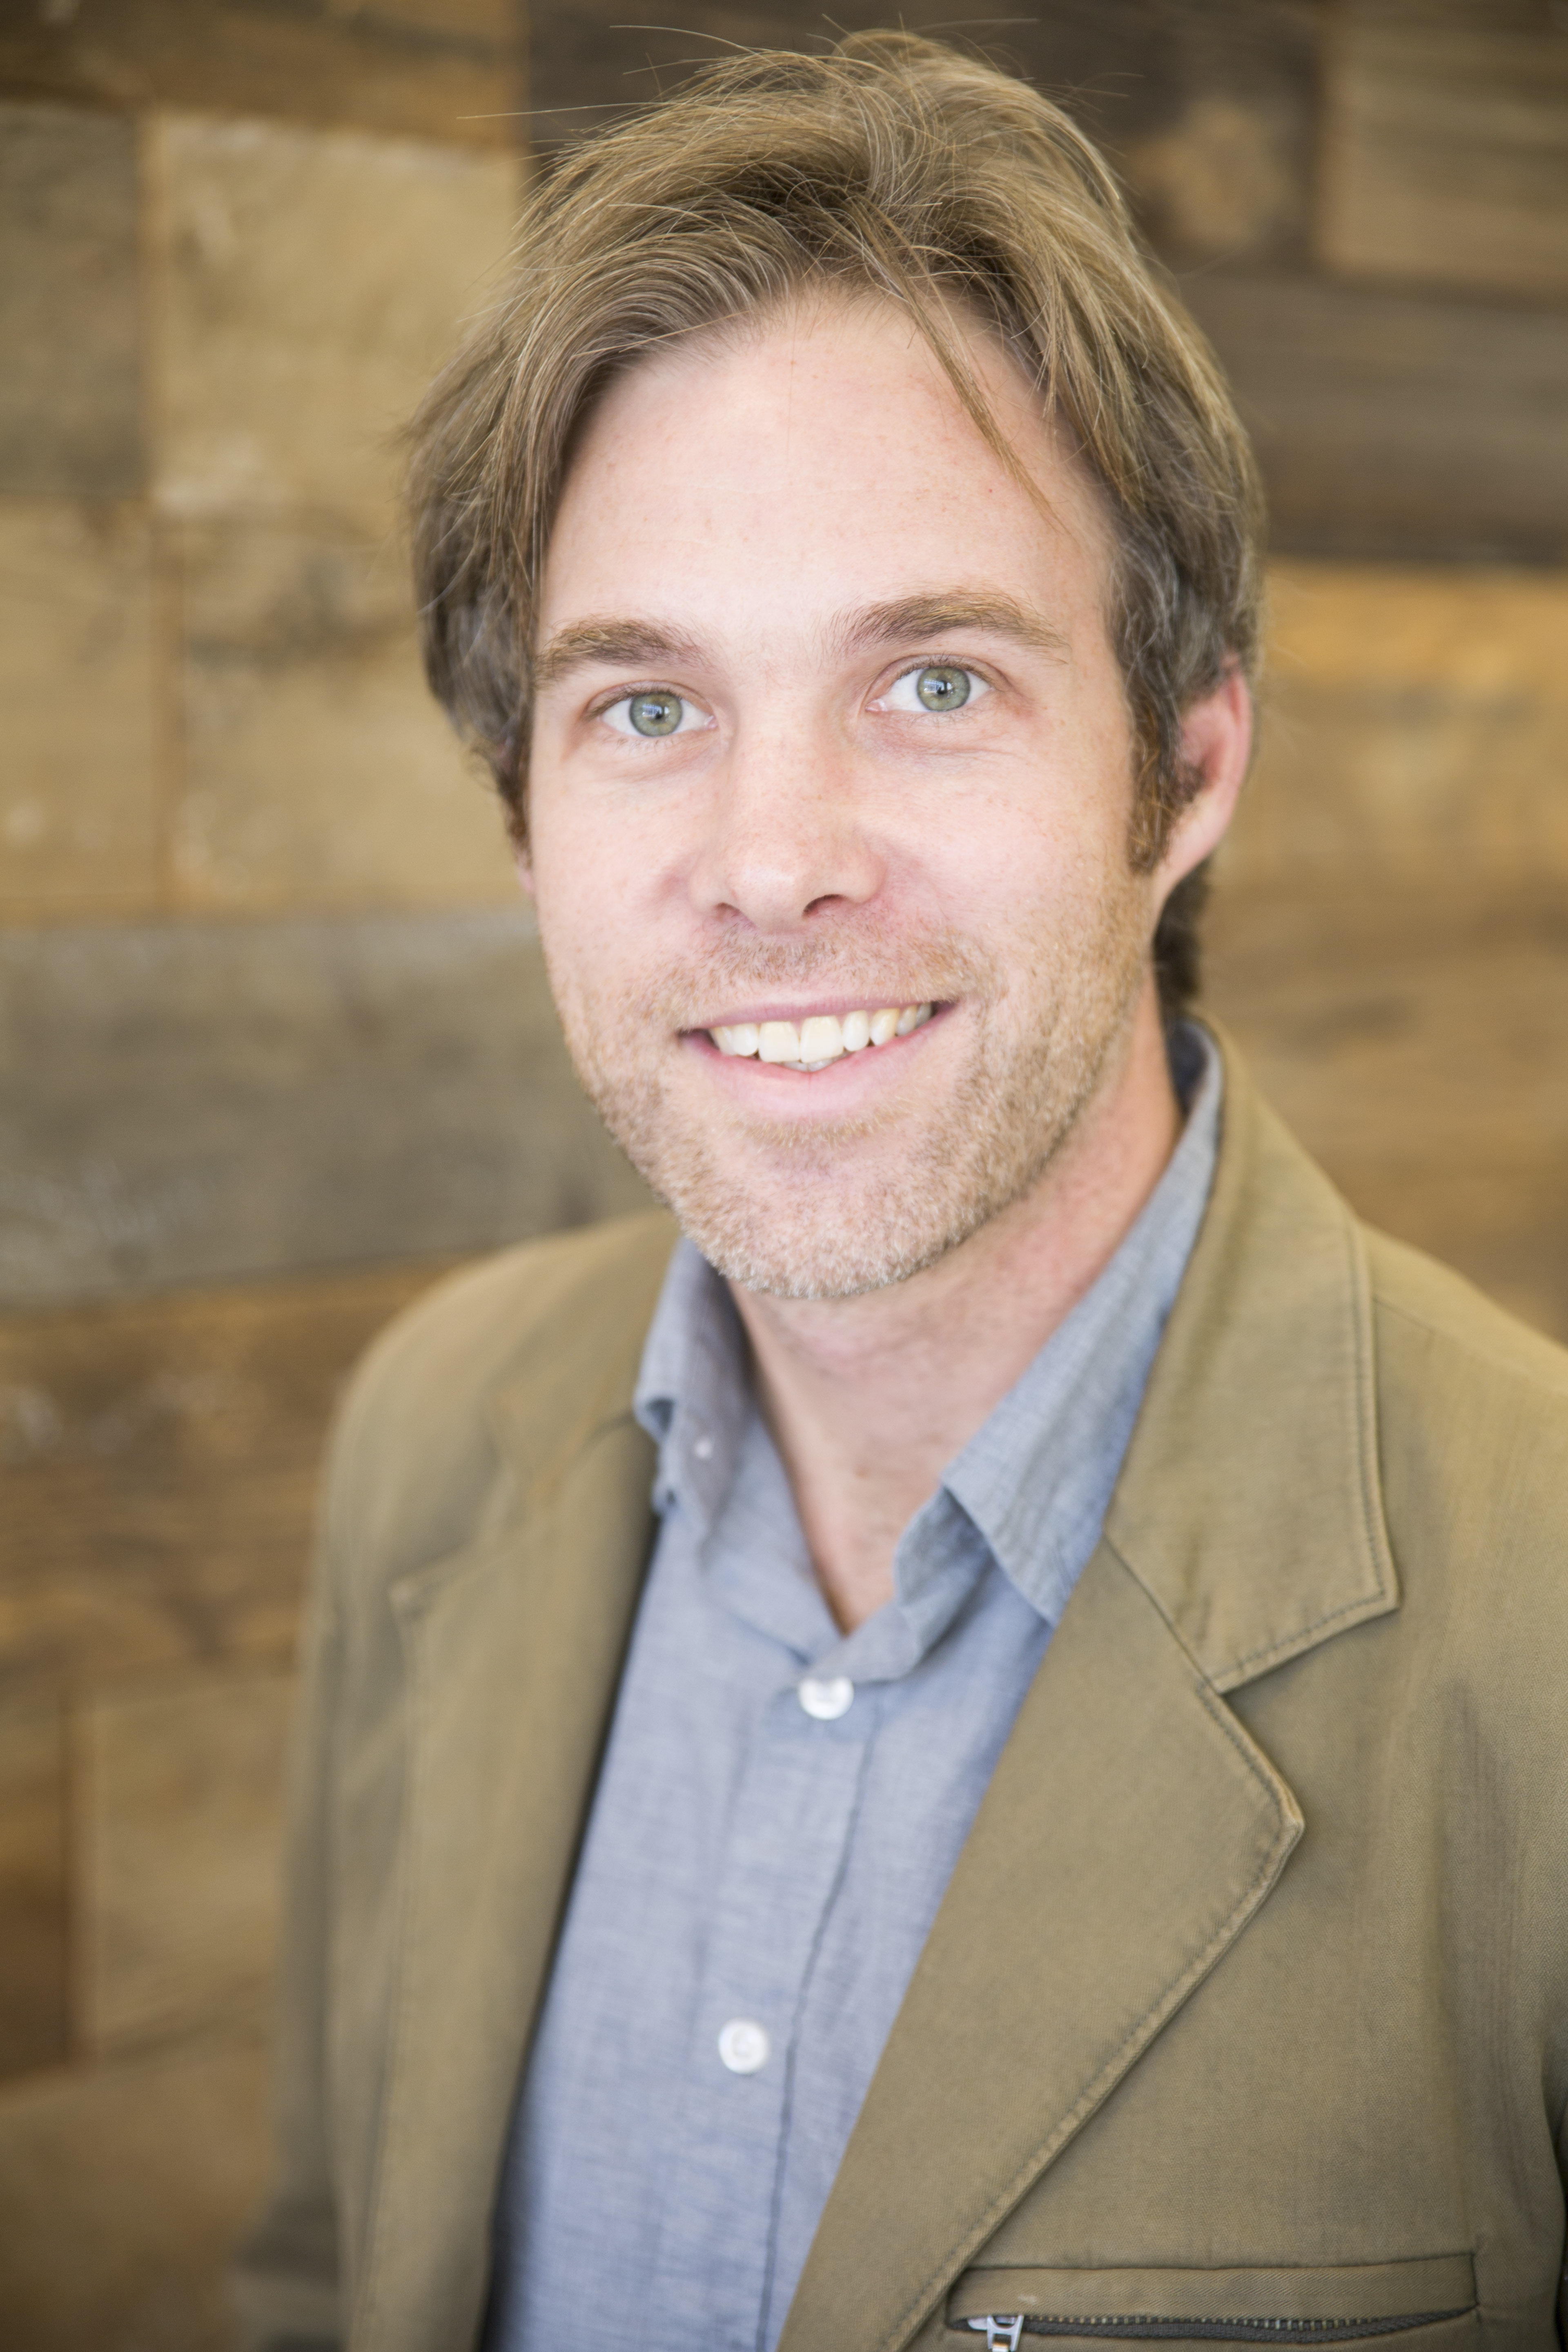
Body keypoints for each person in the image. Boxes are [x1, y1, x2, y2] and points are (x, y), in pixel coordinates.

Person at [235, 33, 1568, 2352]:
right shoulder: (427, 1442)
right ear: (524, 811)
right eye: (645, 707)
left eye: (935, 682)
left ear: (1189, 769)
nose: (773, 865)